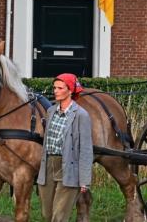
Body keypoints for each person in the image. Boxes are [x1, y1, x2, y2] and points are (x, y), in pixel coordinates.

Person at [37, 73, 93, 222]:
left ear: (70, 91)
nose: (55, 91)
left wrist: (84, 180)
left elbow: (86, 150)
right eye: (54, 87)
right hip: (48, 166)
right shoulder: (50, 112)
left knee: (59, 217)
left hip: (68, 167)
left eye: (60, 88)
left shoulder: (81, 115)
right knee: (47, 214)